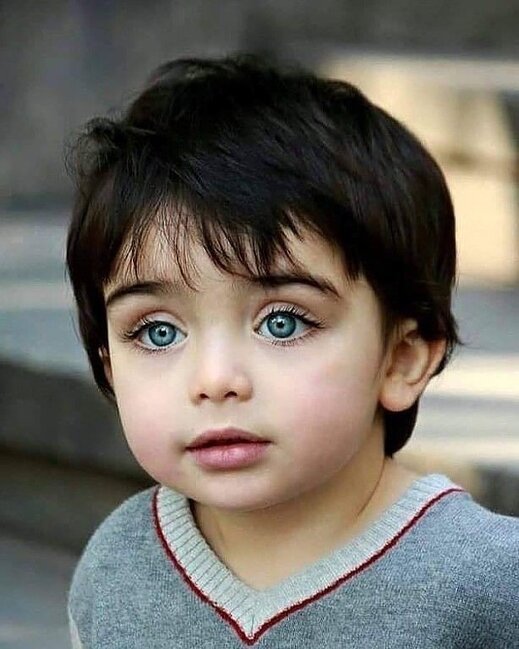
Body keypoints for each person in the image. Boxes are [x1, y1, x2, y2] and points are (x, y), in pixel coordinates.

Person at [66, 55, 518, 648]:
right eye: (158, 332)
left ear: (402, 358)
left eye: (281, 323)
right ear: (109, 365)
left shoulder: (489, 583)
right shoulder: (115, 570)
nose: (215, 379)